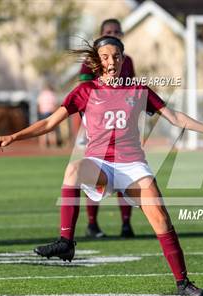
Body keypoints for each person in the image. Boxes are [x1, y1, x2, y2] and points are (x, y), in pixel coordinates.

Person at [0, 36, 203, 296]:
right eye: (106, 56)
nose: (112, 61)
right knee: (73, 169)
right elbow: (49, 123)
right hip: (100, 165)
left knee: (161, 220)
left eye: (116, 56)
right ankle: (66, 241)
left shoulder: (138, 89)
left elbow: (174, 117)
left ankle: (183, 283)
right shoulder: (84, 92)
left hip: (133, 166)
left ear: (123, 59)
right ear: (97, 61)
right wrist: (14, 136)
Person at [79, 18, 136, 239]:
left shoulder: (127, 61)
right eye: (108, 31)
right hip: (96, 127)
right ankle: (92, 224)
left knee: (125, 174)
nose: (112, 33)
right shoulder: (90, 61)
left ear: (121, 34)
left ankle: (125, 224)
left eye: (116, 31)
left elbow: (132, 92)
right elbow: (83, 91)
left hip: (121, 126)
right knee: (92, 176)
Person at [37, 83, 60, 148]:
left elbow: (39, 105)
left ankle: (43, 145)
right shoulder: (52, 94)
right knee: (52, 130)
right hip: (51, 112)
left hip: (43, 112)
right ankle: (53, 144)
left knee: (42, 129)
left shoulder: (42, 94)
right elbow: (55, 105)